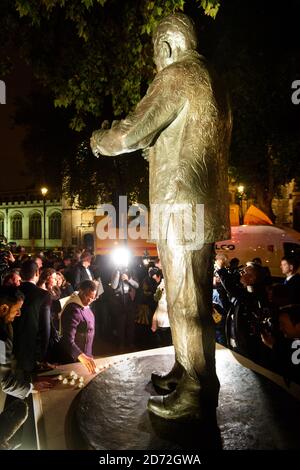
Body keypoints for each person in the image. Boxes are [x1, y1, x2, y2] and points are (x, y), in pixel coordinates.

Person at [90, 13, 231, 419]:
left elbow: (129, 133)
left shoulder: (178, 73)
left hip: (180, 205)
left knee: (186, 302)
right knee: (192, 294)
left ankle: (197, 392)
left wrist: (100, 140)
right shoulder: (214, 80)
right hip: (203, 205)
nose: (156, 64)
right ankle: (188, 370)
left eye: (155, 55)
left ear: (166, 47)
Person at [0, 287, 53, 449]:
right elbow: (5, 382)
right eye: (16, 310)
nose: (18, 314)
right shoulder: (1, 337)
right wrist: (31, 387)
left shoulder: (5, 325)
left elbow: (8, 359)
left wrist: (36, 364)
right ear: (3, 308)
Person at [58, 280, 97, 373]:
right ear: (81, 291)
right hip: (75, 358)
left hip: (86, 354)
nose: (89, 301)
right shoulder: (73, 309)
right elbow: (67, 339)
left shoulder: (84, 304)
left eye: (92, 298)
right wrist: (81, 356)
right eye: (87, 296)